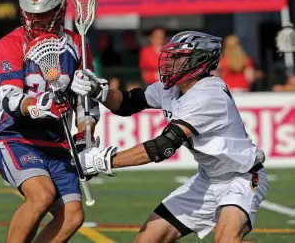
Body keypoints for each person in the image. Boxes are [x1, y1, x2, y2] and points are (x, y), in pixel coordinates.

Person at [71, 31, 268, 243]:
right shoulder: (172, 88)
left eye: (177, 57)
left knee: (226, 240)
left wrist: (101, 161)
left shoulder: (208, 94)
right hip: (207, 180)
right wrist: (98, 91)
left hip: (242, 177)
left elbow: (162, 147)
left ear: (199, 61)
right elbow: (127, 103)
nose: (169, 62)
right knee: (145, 241)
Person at [0, 0, 100, 243]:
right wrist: (39, 106)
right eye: (29, 12)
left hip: (56, 140)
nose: (34, 20)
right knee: (42, 195)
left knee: (73, 215)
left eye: (43, 13)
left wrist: (85, 136)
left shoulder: (77, 44)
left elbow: (87, 104)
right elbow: (9, 97)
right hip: (15, 135)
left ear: (60, 10)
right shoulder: (11, 42)